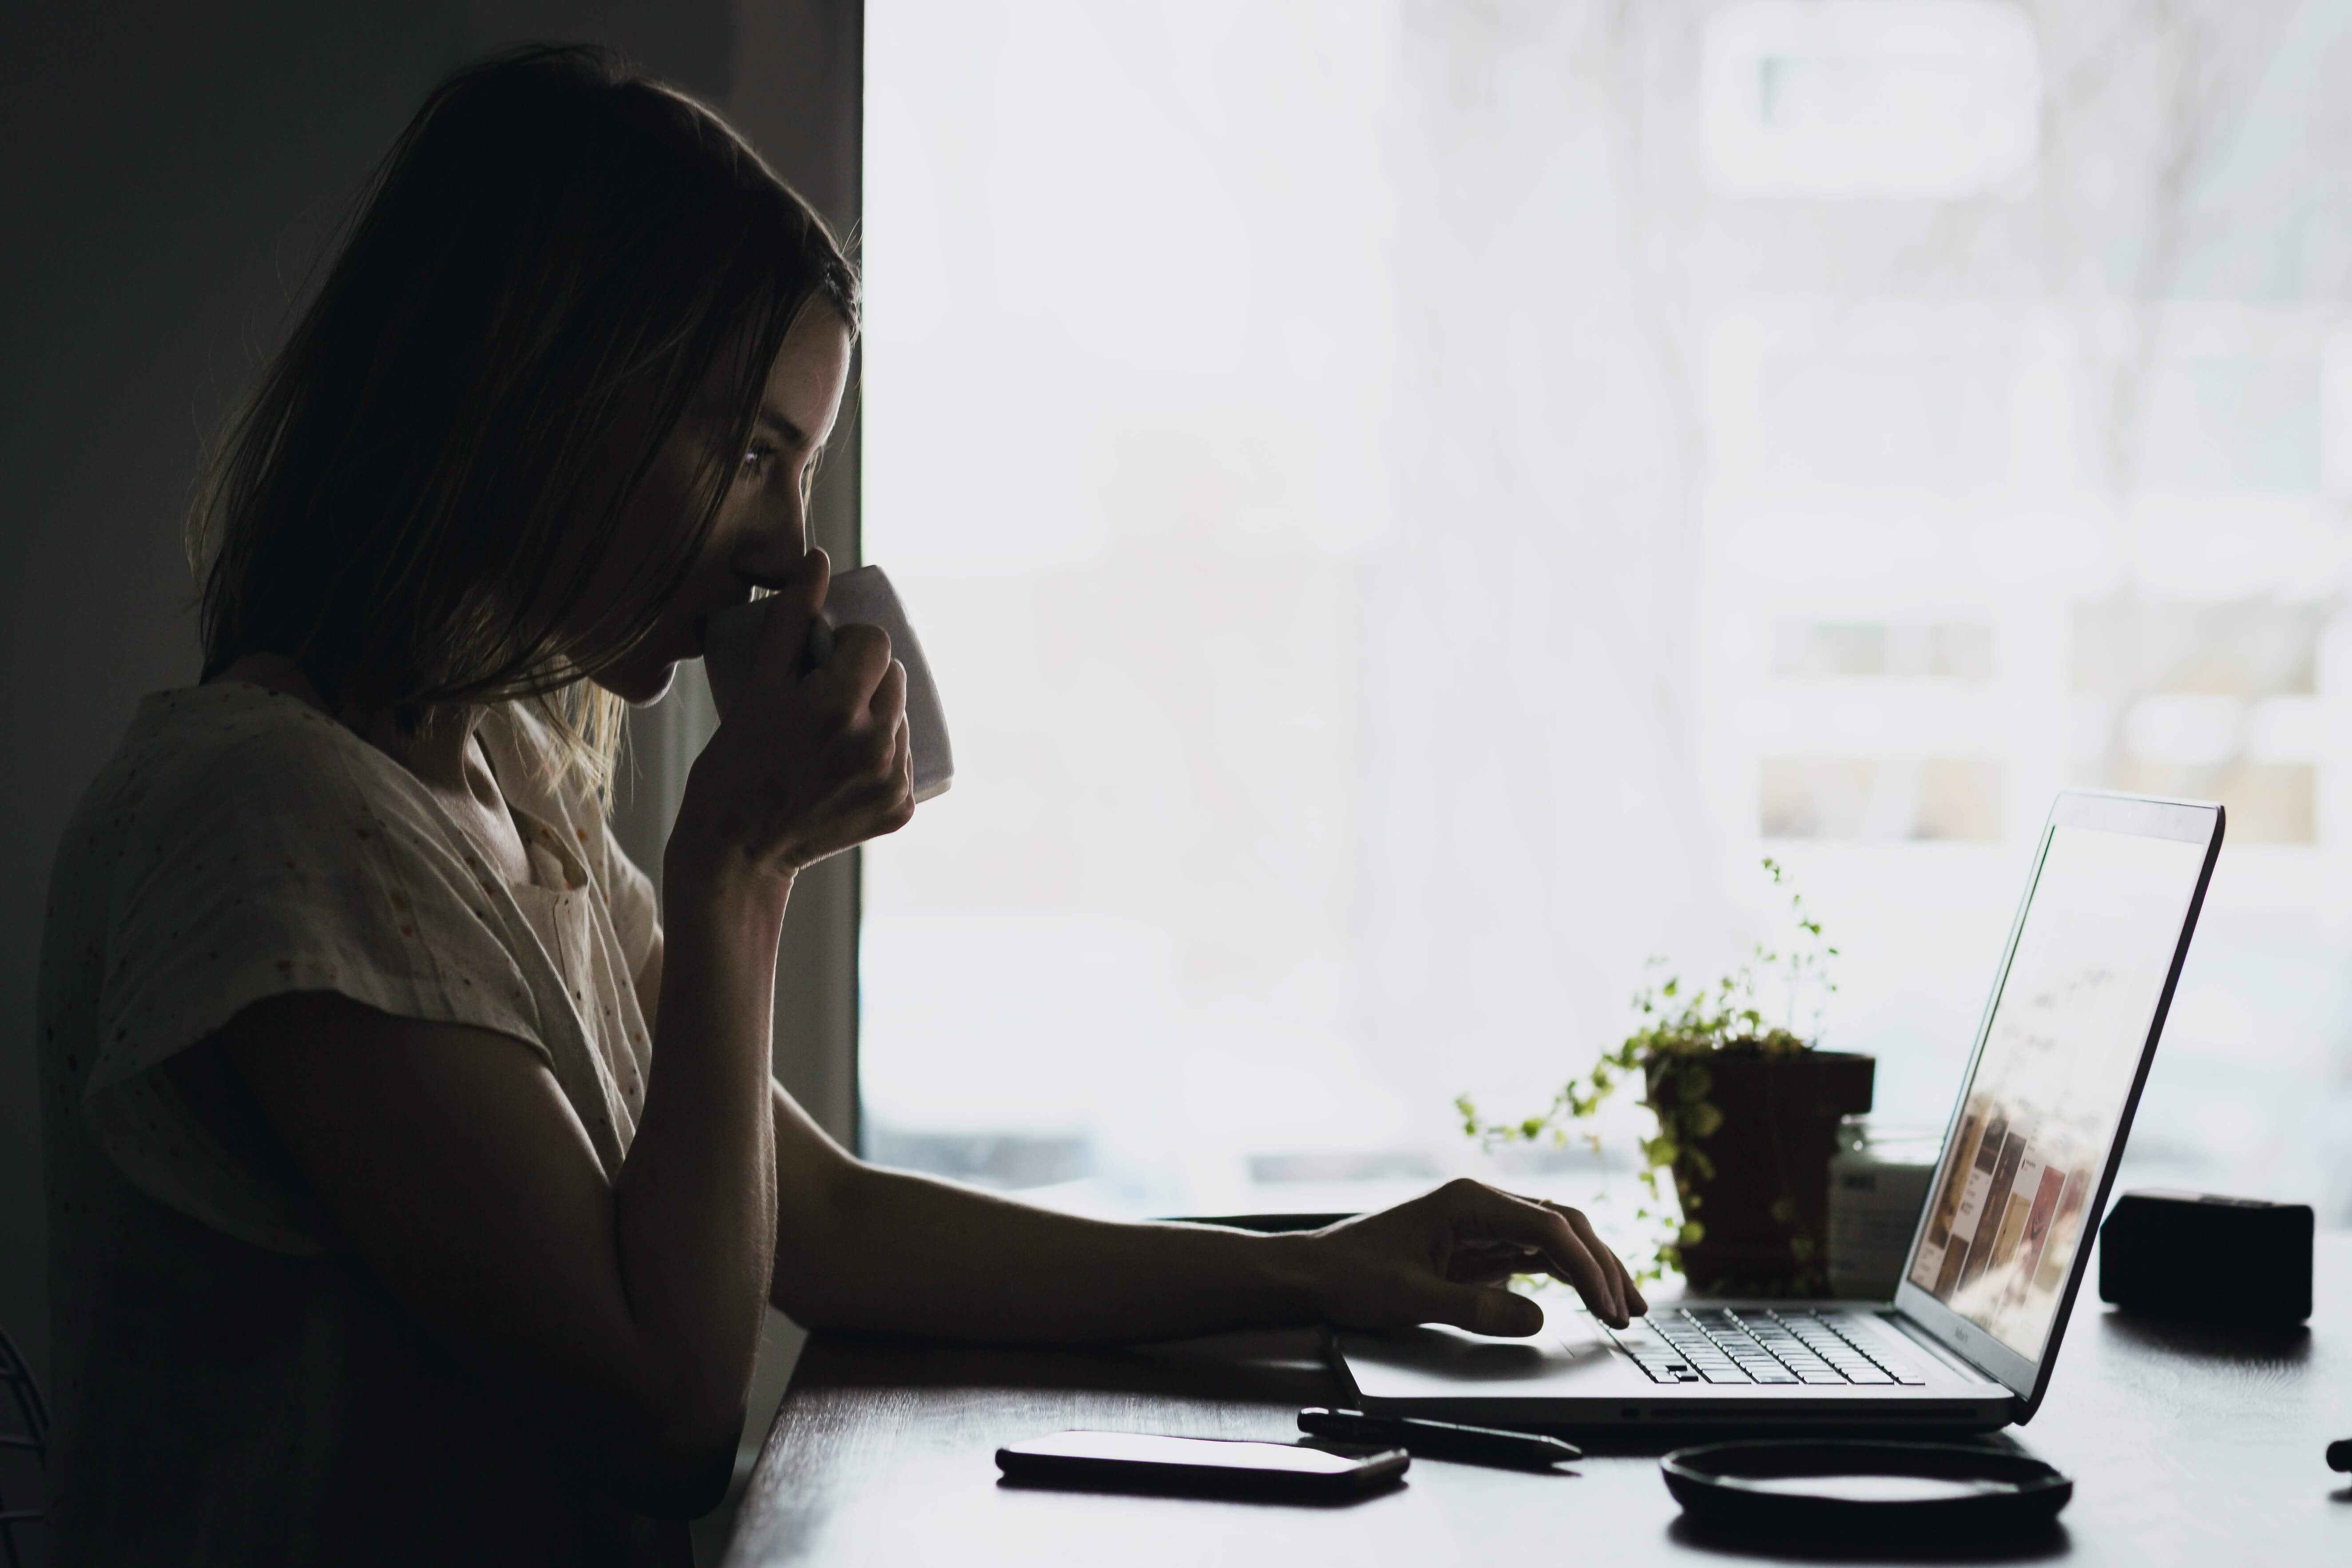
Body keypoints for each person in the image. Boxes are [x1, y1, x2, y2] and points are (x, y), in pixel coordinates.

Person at [35, 45, 1642, 1566]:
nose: (788, 554)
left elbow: (822, 1221)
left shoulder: (500, 787)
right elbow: (658, 1412)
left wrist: (1329, 1267)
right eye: (751, 451)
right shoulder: (274, 818)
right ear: (543, 399)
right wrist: (738, 861)